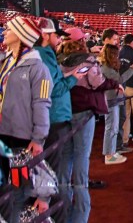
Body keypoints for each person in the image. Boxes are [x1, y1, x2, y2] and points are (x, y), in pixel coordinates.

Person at [59, 27, 120, 223]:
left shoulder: (58, 59)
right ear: (81, 41)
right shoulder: (86, 59)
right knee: (81, 154)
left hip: (64, 110)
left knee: (66, 155)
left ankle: (63, 196)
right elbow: (97, 82)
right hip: (84, 111)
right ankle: (80, 194)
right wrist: (114, 84)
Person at [0, 17, 52, 220]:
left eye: (9, 29)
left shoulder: (38, 68)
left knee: (17, 191)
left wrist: (38, 138)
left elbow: (42, 103)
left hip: (21, 137)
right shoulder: (6, 63)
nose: (5, 31)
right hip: (3, 133)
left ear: (21, 36)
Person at [36, 17, 85, 223]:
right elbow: (54, 89)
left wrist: (68, 75)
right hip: (54, 119)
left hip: (51, 118)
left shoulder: (42, 54)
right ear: (46, 35)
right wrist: (74, 78)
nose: (59, 40)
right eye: (56, 36)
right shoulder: (44, 54)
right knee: (55, 173)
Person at [99, 44, 133, 164]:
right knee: (111, 127)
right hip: (111, 99)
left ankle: (113, 150)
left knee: (115, 125)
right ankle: (109, 155)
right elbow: (119, 80)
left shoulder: (108, 66)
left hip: (115, 98)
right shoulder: (106, 68)